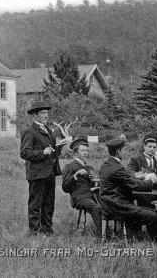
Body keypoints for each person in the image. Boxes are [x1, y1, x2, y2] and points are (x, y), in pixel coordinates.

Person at [98, 138, 157, 242]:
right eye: (123, 150)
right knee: (152, 215)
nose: (125, 152)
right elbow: (137, 186)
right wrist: (151, 181)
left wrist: (136, 175)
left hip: (108, 204)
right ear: (118, 151)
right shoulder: (117, 167)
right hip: (117, 206)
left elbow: (125, 178)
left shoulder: (107, 164)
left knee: (150, 210)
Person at [20, 101, 65, 236]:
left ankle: (47, 230)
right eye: (43, 113)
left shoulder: (49, 131)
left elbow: (52, 151)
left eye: (47, 112)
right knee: (35, 204)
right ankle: (34, 233)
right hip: (37, 174)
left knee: (49, 204)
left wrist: (60, 147)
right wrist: (42, 152)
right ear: (35, 115)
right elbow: (24, 153)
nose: (47, 115)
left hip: (50, 172)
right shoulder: (30, 132)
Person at [62, 136, 101, 235]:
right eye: (82, 150)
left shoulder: (89, 167)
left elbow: (95, 184)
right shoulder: (70, 166)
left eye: (86, 151)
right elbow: (65, 187)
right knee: (96, 208)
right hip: (79, 198)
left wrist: (96, 179)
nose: (85, 153)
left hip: (93, 195)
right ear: (75, 152)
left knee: (111, 203)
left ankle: (117, 232)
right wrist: (76, 175)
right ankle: (105, 235)